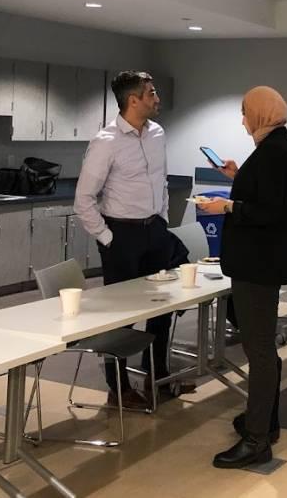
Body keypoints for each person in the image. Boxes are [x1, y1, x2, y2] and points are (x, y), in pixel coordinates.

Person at [200, 86, 287, 469]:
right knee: (263, 348)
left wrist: (227, 206)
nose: (243, 119)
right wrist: (237, 175)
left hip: (257, 265)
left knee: (259, 351)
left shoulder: (274, 151)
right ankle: (265, 421)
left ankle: (257, 440)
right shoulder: (278, 146)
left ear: (261, 113)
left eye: (245, 112)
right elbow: (266, 195)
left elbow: (268, 212)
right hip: (262, 262)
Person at [74, 71, 189, 409]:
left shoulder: (157, 134)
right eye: (151, 93)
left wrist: (163, 219)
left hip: (154, 230)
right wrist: (108, 238)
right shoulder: (106, 141)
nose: (157, 98)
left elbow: (161, 182)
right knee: (121, 315)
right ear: (133, 100)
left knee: (162, 307)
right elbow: (83, 199)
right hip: (121, 234)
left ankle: (157, 375)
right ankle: (118, 387)